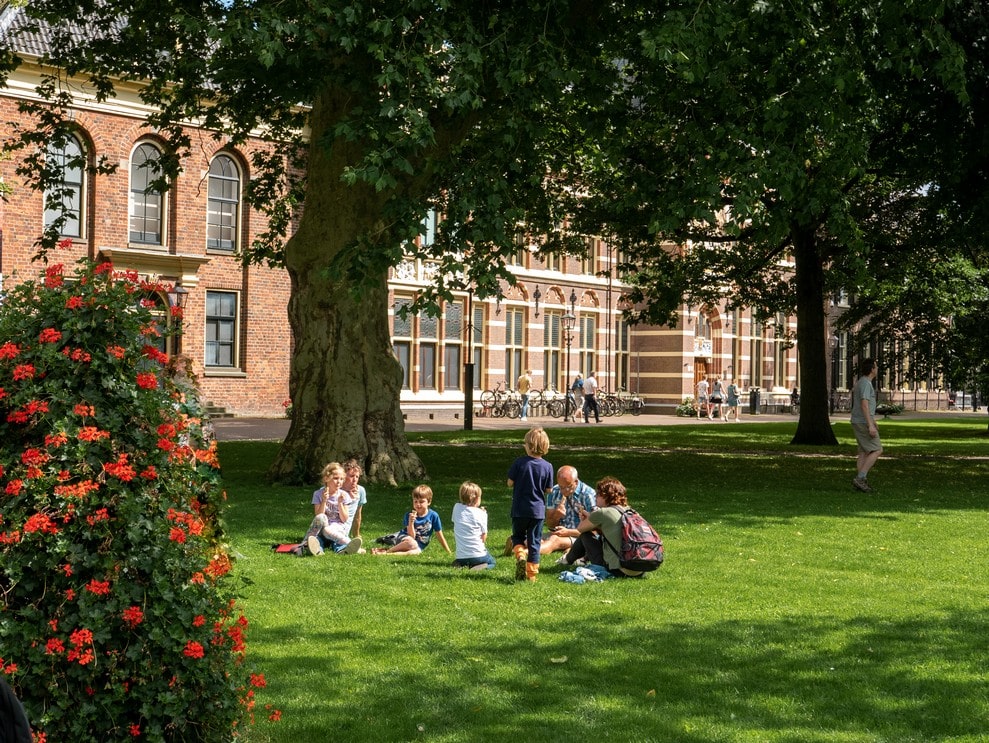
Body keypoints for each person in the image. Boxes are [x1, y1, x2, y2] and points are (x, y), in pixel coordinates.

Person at [566, 476, 645, 578]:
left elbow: (580, 529)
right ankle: (573, 559)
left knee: (586, 535)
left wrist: (584, 519)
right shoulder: (631, 512)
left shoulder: (602, 512)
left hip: (619, 570)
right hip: (640, 569)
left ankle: (567, 560)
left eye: (597, 494)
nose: (595, 497)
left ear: (605, 496)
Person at [507, 427, 554, 581]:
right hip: (537, 511)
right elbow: (548, 489)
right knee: (534, 541)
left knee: (518, 536)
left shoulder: (519, 462)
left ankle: (520, 554)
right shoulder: (547, 466)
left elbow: (509, 483)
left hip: (520, 509)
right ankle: (532, 574)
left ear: (529, 445)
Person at [372, 484, 451, 555]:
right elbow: (411, 536)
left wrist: (448, 551)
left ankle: (386, 553)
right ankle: (388, 551)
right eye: (415, 501)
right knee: (412, 543)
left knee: (415, 552)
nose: (418, 504)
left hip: (420, 545)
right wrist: (411, 522)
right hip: (405, 538)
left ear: (429, 502)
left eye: (421, 502)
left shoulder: (433, 516)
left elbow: (439, 535)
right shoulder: (409, 515)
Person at [306, 462, 363, 556]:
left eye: (341, 479)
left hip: (338, 528)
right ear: (326, 478)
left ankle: (345, 549)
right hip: (322, 528)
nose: (339, 482)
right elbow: (318, 516)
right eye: (336, 478)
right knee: (319, 539)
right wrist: (324, 501)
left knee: (334, 538)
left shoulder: (344, 495)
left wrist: (340, 503)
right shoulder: (318, 494)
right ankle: (317, 550)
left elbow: (344, 519)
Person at [545, 466, 597, 564]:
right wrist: (557, 515)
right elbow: (550, 525)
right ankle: (517, 546)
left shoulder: (588, 494)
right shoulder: (555, 491)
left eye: (568, 486)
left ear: (576, 482)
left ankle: (522, 553)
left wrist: (568, 532)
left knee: (554, 540)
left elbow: (595, 530)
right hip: (559, 533)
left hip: (579, 536)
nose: (564, 491)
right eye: (561, 487)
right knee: (535, 540)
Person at [850, 358, 882, 493]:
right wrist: (870, 425)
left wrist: (873, 420)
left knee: (863, 451)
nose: (877, 369)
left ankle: (861, 482)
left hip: (859, 420)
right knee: (877, 449)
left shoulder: (862, 383)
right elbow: (864, 405)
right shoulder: (865, 384)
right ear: (871, 369)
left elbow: (865, 406)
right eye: (876, 366)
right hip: (863, 422)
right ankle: (860, 478)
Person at [451, 481, 496, 570]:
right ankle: (481, 567)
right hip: (478, 554)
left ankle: (460, 565)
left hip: (461, 556)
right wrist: (483, 513)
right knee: (492, 562)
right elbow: (483, 537)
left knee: (462, 561)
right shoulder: (482, 514)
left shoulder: (456, 508)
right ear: (476, 499)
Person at [342, 458, 367, 539]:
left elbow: (357, 514)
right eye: (352, 476)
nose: (355, 479)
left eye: (357, 477)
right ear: (343, 476)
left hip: (344, 529)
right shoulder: (334, 489)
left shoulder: (360, 491)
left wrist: (356, 535)